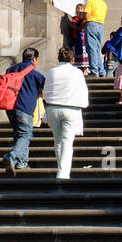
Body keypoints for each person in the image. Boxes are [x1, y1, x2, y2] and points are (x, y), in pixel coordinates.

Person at [42, 48, 89, 181]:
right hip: (71, 109)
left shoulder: (51, 71)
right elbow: (83, 90)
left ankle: (60, 168)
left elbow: (46, 90)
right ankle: (63, 174)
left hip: (53, 108)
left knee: (57, 142)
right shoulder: (77, 72)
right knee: (67, 142)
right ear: (72, 59)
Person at [0, 47, 44, 176]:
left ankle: (22, 163)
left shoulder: (10, 69)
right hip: (24, 108)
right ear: (34, 58)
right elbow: (43, 88)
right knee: (26, 135)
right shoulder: (35, 72)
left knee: (18, 135)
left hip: (10, 106)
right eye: (37, 59)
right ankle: (11, 156)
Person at [82, 0, 108, 78]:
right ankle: (101, 71)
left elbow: (86, 16)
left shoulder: (90, 2)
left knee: (91, 49)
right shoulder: (103, 3)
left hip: (91, 25)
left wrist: (82, 15)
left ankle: (94, 71)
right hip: (100, 26)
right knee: (97, 50)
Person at [70, 3, 89, 72]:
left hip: (82, 40)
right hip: (75, 39)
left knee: (84, 63)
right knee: (77, 63)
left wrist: (72, 26)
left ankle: (85, 73)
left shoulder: (84, 19)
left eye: (81, 8)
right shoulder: (74, 18)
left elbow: (82, 28)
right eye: (78, 8)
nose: (79, 10)